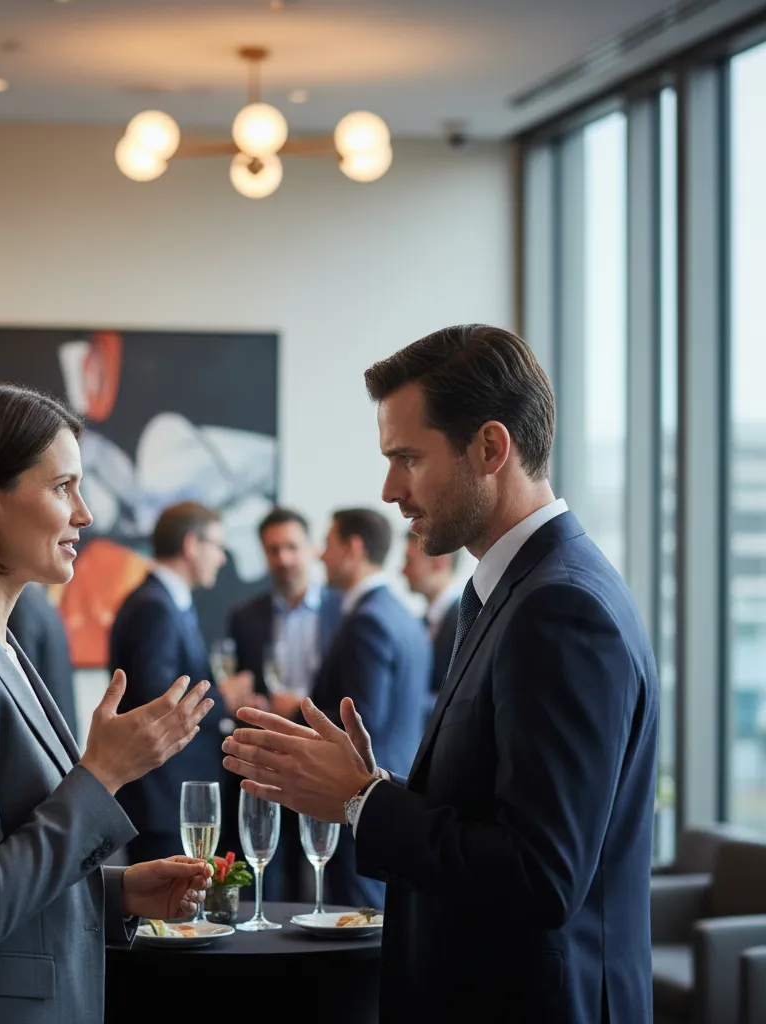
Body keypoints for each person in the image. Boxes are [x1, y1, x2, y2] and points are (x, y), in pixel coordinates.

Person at [222, 325, 659, 1023]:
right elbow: (495, 808)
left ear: (490, 448)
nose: (389, 490)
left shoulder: (560, 606)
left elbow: (541, 874)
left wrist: (363, 801)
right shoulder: (513, 591)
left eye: (407, 458)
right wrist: (372, 785)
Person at [0, 383, 213, 1024]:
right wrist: (103, 774)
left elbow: (8, 860)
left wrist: (115, 891)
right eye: (62, 488)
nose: (85, 513)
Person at [109, 502, 256, 863]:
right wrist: (225, 699)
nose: (221, 558)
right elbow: (162, 704)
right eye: (217, 546)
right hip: (164, 799)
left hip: (171, 797)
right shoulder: (154, 607)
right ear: (192, 545)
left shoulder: (166, 602)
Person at [312, 507, 430, 908]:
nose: (321, 555)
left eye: (328, 544)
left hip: (365, 796)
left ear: (353, 548)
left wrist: (296, 713)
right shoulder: (403, 614)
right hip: (397, 791)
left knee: (359, 919)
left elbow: (360, 724)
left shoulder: (368, 621)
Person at [227, 507, 341, 901]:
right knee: (268, 869)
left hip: (325, 757)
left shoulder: (343, 610)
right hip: (268, 762)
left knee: (324, 869)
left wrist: (302, 706)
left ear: (311, 548)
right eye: (273, 550)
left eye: (292, 547)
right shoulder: (244, 616)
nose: (284, 558)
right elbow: (241, 683)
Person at [7, 581, 79, 739]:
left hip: (42, 738)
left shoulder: (20, 606)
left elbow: (22, 690)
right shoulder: (40, 602)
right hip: (59, 735)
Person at [402, 535, 461, 702]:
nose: (403, 571)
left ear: (439, 562)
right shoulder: (419, 623)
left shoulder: (467, 623)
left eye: (410, 561)